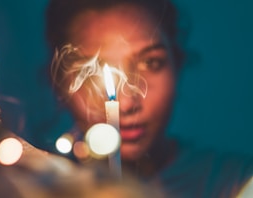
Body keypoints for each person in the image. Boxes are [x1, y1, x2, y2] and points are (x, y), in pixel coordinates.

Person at [45, 0, 253, 197]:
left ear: (177, 65)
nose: (125, 104)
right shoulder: (37, 188)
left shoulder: (238, 184)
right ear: (61, 84)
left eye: (150, 63)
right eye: (92, 71)